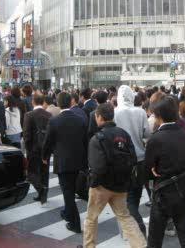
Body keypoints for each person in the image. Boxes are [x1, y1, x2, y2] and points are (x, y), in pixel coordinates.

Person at [84, 103, 146, 248]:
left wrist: (92, 183)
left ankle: (89, 245)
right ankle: (140, 245)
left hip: (102, 186)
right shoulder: (123, 134)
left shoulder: (97, 138)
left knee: (91, 218)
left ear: (99, 117)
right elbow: (133, 158)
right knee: (125, 217)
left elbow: (97, 167)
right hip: (121, 185)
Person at [145, 97, 185, 248]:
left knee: (155, 238)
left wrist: (153, 169)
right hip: (183, 189)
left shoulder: (156, 138)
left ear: (159, 116)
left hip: (163, 191)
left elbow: (148, 169)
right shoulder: (184, 133)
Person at [42, 92, 87, 233]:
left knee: (67, 192)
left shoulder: (55, 121)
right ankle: (67, 213)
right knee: (72, 189)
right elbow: (85, 141)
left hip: (63, 162)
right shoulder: (80, 120)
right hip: (79, 161)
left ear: (58, 103)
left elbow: (48, 142)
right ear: (71, 102)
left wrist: (45, 156)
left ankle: (75, 223)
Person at [114, 85, 151, 235]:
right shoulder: (141, 112)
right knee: (135, 194)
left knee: (125, 197)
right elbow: (147, 134)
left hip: (121, 160)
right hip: (140, 159)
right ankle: (131, 228)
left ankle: (136, 228)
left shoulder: (115, 113)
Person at [23, 94, 52, 204]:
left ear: (33, 102)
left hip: (33, 148)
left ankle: (40, 189)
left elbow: (26, 135)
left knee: (31, 173)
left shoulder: (29, 115)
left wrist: (27, 149)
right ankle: (43, 195)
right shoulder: (49, 115)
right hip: (46, 148)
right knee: (45, 172)